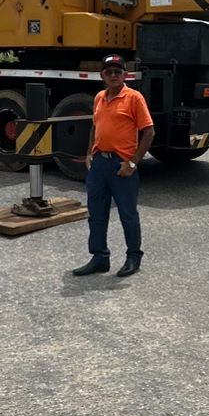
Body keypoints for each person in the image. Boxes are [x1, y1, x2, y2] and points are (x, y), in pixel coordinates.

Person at [72, 54, 155, 277]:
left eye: (117, 72)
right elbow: (94, 126)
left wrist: (132, 163)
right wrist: (89, 152)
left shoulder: (134, 98)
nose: (113, 75)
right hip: (99, 164)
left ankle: (133, 258)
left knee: (128, 215)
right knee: (97, 214)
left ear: (124, 75)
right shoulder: (99, 97)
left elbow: (149, 132)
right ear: (102, 76)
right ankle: (99, 258)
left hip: (122, 166)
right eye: (109, 72)